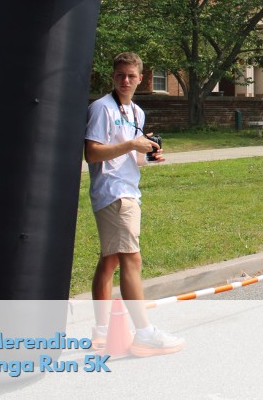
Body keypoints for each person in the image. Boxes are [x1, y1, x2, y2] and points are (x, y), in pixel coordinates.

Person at [85, 52, 184, 357]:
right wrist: (131, 143)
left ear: (141, 78)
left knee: (110, 261)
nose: (125, 81)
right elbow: (92, 153)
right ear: (112, 76)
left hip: (129, 188)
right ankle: (144, 332)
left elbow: (133, 157)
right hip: (113, 192)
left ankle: (102, 331)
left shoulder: (137, 112)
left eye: (131, 76)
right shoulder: (101, 108)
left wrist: (148, 155)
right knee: (132, 259)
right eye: (120, 75)